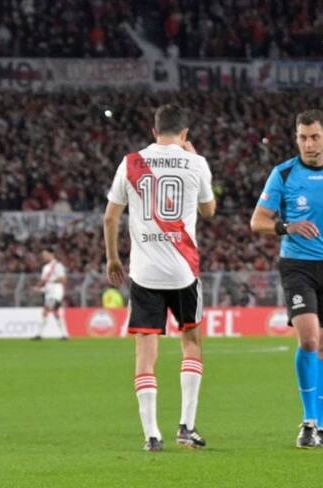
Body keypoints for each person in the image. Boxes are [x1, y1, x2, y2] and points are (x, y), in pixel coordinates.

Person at [103, 104, 216, 452]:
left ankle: (152, 435)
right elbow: (209, 211)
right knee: (192, 344)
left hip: (145, 273)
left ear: (154, 132)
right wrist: (193, 157)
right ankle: (187, 426)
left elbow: (110, 218)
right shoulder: (196, 163)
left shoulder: (131, 162)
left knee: (145, 354)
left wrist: (112, 257)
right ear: (184, 134)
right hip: (184, 271)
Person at [250, 109, 323, 448]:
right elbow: (257, 220)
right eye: (303, 137)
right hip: (297, 265)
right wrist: (286, 226)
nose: (309, 143)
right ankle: (307, 422)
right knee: (308, 339)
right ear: (296, 139)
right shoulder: (285, 173)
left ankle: (319, 427)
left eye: (315, 136)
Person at [33, 248, 69, 340]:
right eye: (43, 255)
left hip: (56, 293)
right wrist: (38, 287)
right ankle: (64, 335)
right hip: (48, 293)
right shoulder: (45, 268)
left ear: (51, 254)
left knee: (46, 311)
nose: (44, 256)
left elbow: (63, 279)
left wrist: (51, 280)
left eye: (45, 254)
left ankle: (39, 334)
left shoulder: (57, 266)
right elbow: (43, 280)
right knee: (56, 312)